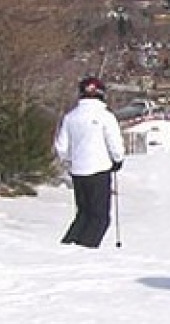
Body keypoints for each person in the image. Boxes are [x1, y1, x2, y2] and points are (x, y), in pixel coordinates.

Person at [55, 76, 125, 248]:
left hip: (78, 171)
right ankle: (85, 250)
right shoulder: (105, 116)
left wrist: (69, 160)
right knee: (100, 217)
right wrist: (117, 159)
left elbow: (61, 146)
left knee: (83, 214)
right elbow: (115, 143)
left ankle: (68, 246)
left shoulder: (71, 117)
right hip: (99, 169)